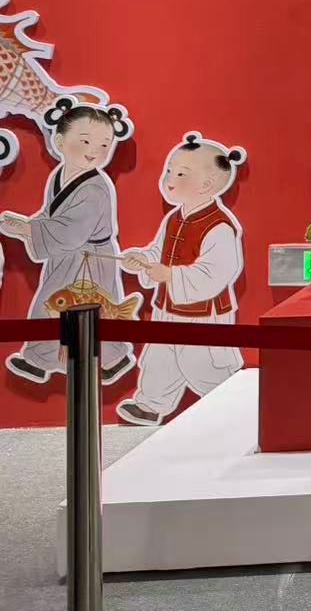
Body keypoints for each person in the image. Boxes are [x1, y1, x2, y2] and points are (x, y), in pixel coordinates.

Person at [116, 133, 248, 427]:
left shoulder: (220, 226)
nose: (169, 179)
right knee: (159, 358)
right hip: (167, 306)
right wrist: (142, 258)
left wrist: (170, 275)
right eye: (169, 171)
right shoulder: (174, 218)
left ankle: (231, 404)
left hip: (203, 314)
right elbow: (159, 250)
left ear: (206, 185)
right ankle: (150, 404)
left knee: (204, 363)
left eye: (180, 174)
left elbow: (217, 272)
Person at [1, 102, 136, 385]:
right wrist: (27, 226)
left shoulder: (96, 188)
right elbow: (52, 216)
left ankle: (111, 358)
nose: (94, 150)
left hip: (89, 257)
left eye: (104, 144)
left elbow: (71, 230)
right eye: (85, 141)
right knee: (54, 304)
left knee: (87, 308)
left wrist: (27, 230)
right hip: (66, 255)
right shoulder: (60, 175)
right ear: (60, 142)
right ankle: (41, 359)